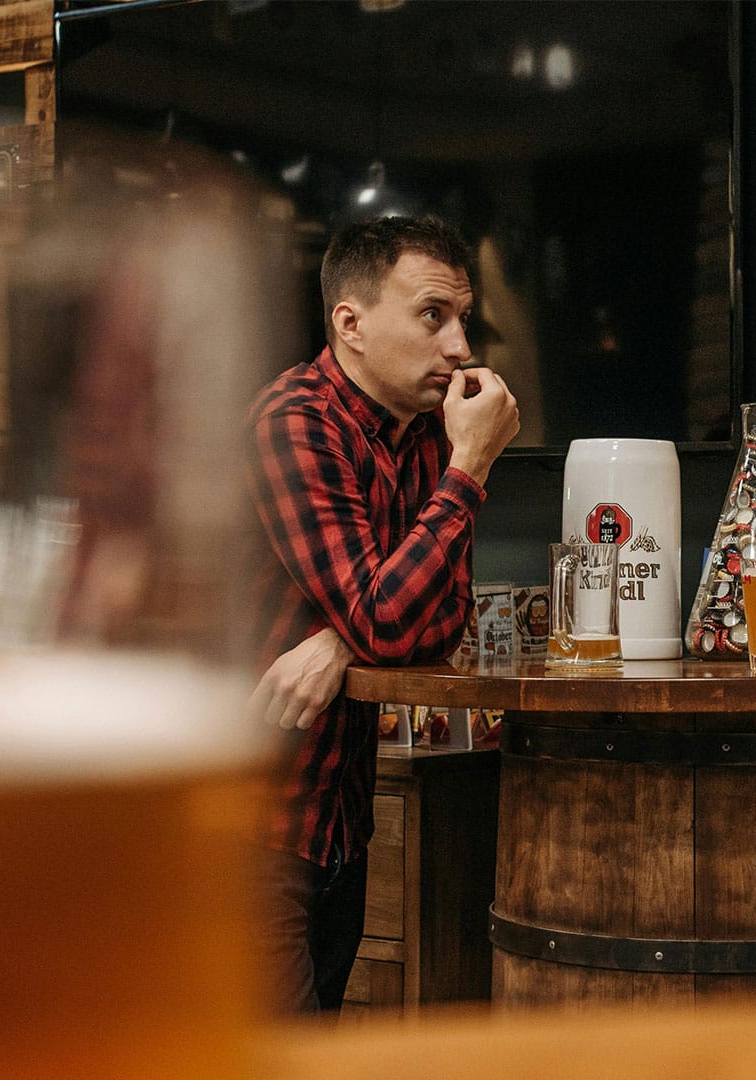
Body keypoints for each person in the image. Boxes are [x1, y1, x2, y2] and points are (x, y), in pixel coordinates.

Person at [244, 215, 519, 1013]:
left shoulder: (424, 434)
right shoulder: (295, 421)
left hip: (336, 824)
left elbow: (444, 620)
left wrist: (339, 642)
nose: (460, 346)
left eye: (463, 320)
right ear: (351, 323)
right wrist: (472, 464)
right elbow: (393, 623)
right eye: (434, 315)